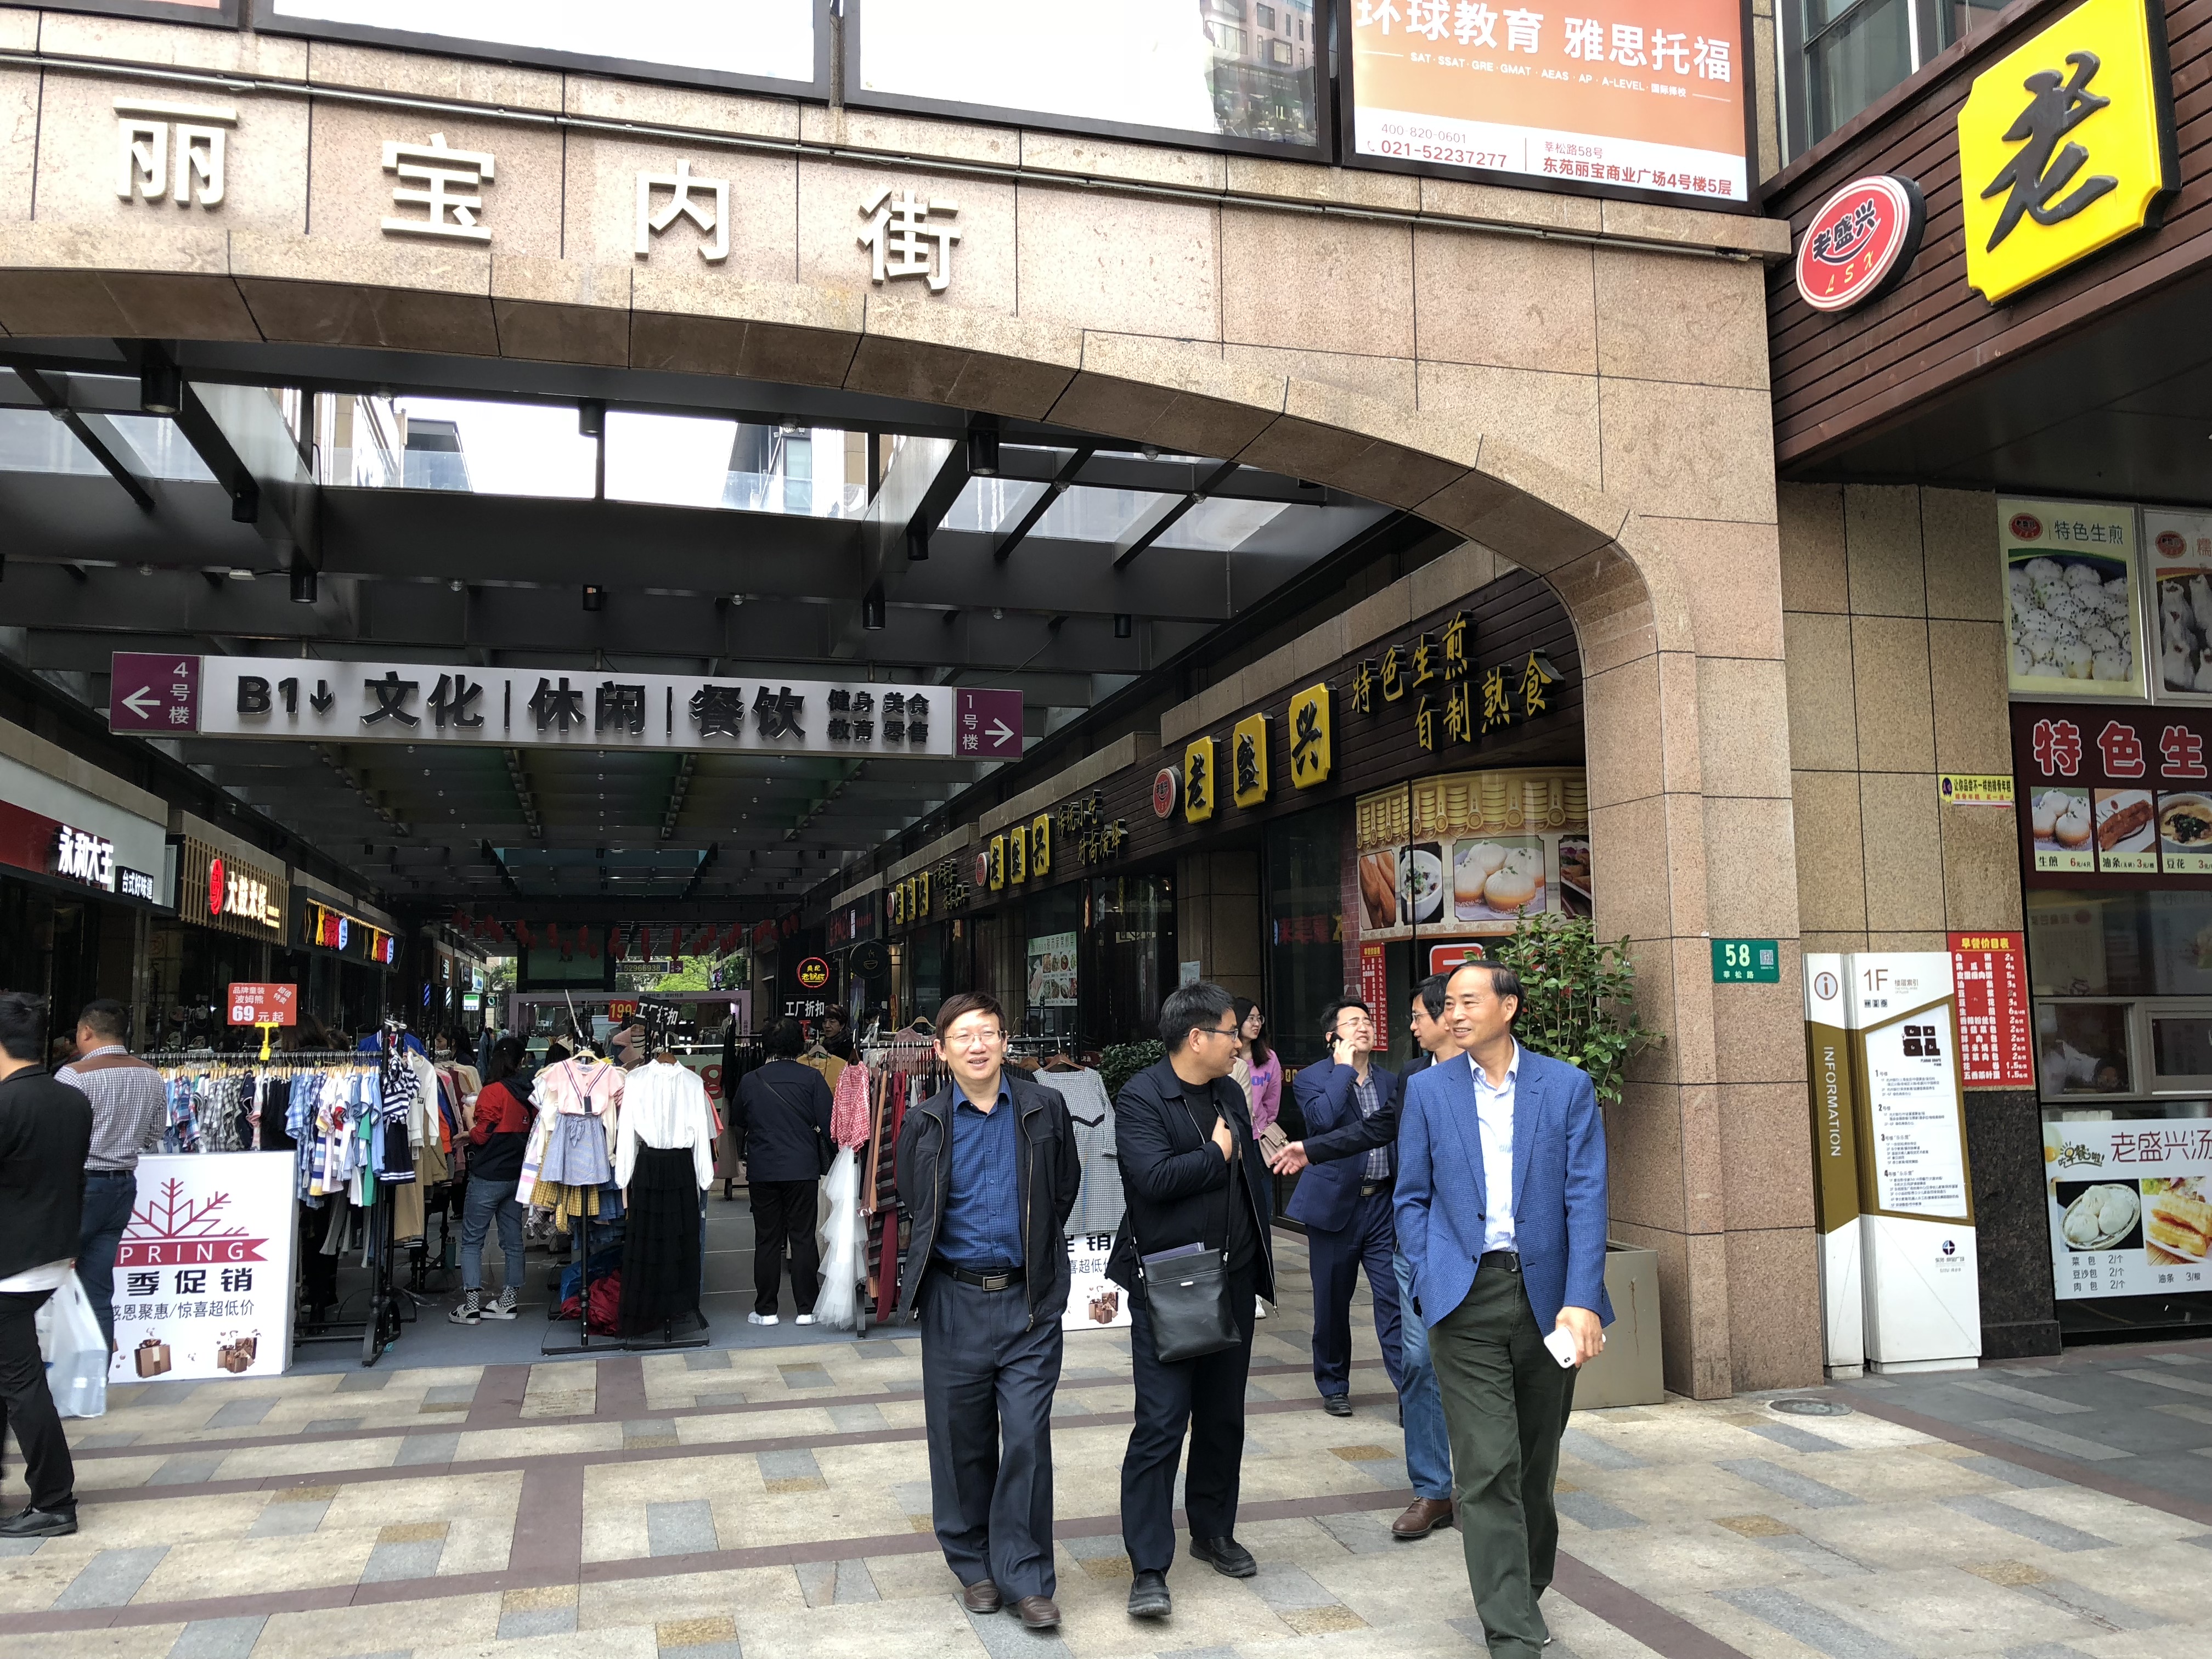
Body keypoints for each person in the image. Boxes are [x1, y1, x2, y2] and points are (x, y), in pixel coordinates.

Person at [1397, 962, 1612, 1659]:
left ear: (1509, 1006)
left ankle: (1526, 1590)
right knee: (1487, 1468)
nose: (1454, 1014)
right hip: (1464, 1300)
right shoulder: (1428, 1091)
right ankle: (1513, 1635)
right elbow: (1411, 1197)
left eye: (1468, 1001)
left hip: (1548, 1301)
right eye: (1448, 1004)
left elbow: (1587, 1197)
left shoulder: (1566, 1086)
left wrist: (1582, 1299)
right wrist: (1430, 1276)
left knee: (1534, 1467)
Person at [893, 994, 1079, 1632]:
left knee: (1026, 1437)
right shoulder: (924, 1121)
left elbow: (1063, 1188)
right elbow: (916, 1201)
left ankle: (1026, 1576)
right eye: (963, 1036)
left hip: (1028, 1301)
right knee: (960, 1441)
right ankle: (974, 1564)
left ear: (1005, 1042)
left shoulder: (1043, 1107)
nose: (977, 1046)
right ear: (941, 1050)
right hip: (954, 1299)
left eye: (988, 1033)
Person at [1110, 981, 1276, 1621]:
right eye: (1232, 1031)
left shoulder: (1229, 1092)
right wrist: (1215, 1154)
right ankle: (1149, 1566)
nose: (1240, 1042)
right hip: (1173, 1281)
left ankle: (1213, 1531)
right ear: (1198, 1037)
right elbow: (1151, 1180)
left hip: (1232, 1279)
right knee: (1160, 1423)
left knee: (1222, 1415)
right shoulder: (1142, 1096)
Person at [1273, 998, 1403, 1415]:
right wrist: (1344, 1070)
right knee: (1332, 1302)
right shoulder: (1313, 1078)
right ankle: (1333, 1385)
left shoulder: (1391, 1080)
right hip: (1334, 1207)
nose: (1364, 1027)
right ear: (1332, 1037)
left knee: (1394, 1300)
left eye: (1367, 1020)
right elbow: (1322, 1122)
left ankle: (1410, 1393)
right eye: (1353, 1022)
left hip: (1383, 1204)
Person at [0, 992, 93, 1538]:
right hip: (51, 1255)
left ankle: (55, 1499)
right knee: (12, 1376)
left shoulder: (6, 1104)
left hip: (10, 1264)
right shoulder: (70, 1099)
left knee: (21, 1382)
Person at [54, 1000, 166, 1353]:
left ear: (86, 1032)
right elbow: (154, 1134)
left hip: (81, 1185)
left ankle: (46, 1373)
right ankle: (95, 1377)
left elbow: (57, 1136)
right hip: (122, 1187)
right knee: (98, 1289)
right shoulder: (150, 1074)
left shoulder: (73, 1075)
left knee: (47, 1279)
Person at [1389, 974, 1458, 1539]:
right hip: (1419, 1247)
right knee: (1418, 1361)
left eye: (1418, 1015)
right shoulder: (1414, 1078)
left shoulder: (1514, 1080)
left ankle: (1493, 1482)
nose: (1411, 1026)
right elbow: (1381, 1132)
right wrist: (1311, 1149)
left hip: (1485, 1252)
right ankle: (1433, 1489)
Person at [733, 1017, 834, 1325]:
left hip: (763, 1168)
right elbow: (829, 1124)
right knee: (802, 1237)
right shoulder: (812, 1078)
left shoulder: (751, 1080)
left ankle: (766, 1310)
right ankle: (807, 1309)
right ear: (799, 1044)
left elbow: (738, 1121)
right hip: (802, 1167)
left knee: (767, 1239)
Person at [452, 1036, 533, 1325]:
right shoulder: (529, 1093)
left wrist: (468, 1118)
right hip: (516, 1175)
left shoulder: (492, 1092)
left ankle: (471, 1306)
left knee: (472, 1240)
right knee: (513, 1241)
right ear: (520, 1062)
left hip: (488, 1176)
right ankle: (508, 1302)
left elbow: (481, 1135)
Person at [1235, 1000, 1282, 1135]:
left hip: (1258, 1132)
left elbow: (1272, 1098)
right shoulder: (1224, 1057)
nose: (1257, 1024)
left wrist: (1266, 1125)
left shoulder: (1269, 1057)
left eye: (1259, 1019)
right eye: (1251, 1019)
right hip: (1229, 1132)